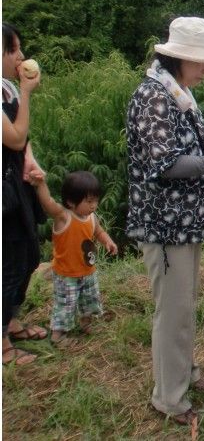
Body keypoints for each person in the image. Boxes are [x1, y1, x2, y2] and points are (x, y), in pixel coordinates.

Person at [126, 17, 204, 425]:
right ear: (178, 57)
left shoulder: (175, 91)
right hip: (165, 224)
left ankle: (183, 374)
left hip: (184, 220)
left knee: (183, 305)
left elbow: (184, 153)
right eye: (202, 61)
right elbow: (166, 164)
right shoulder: (154, 97)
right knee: (174, 310)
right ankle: (169, 397)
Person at [2, 23, 47, 366]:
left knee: (29, 253)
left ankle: (11, 320)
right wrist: (28, 91)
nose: (19, 56)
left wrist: (29, 160)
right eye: (12, 50)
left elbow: (24, 141)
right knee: (9, 259)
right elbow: (14, 138)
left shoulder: (6, 90)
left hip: (16, 183)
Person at [29, 170, 118, 346]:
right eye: (89, 201)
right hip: (66, 273)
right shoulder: (64, 217)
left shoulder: (91, 217)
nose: (94, 205)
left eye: (96, 200)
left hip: (87, 270)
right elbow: (48, 203)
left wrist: (108, 241)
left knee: (91, 298)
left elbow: (98, 231)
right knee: (66, 304)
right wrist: (40, 184)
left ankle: (87, 323)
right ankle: (58, 334)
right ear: (71, 201)